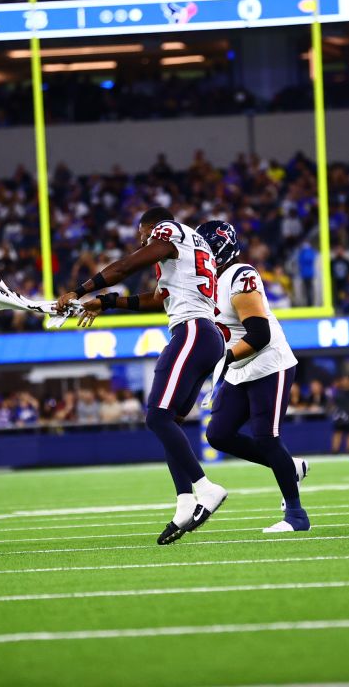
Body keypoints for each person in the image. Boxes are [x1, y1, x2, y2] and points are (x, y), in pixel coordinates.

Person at [63, 207, 228, 545]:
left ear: (153, 226)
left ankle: (205, 488)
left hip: (193, 332)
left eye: (143, 232)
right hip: (205, 336)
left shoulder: (169, 232)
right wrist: (105, 302)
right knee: (171, 424)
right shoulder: (191, 249)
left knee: (156, 417)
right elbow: (155, 299)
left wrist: (79, 291)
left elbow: (126, 265)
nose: (142, 239)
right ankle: (184, 502)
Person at [196, 221, 310, 533]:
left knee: (265, 436)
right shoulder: (208, 282)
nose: (197, 257)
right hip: (239, 368)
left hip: (269, 363)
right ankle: (290, 466)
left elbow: (259, 335)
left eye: (202, 249)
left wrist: (224, 358)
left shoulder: (240, 275)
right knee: (218, 433)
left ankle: (297, 517)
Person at [330, 373, 349, 454]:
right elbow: (333, 401)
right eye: (343, 380)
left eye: (346, 380)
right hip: (339, 416)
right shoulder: (338, 391)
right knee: (337, 432)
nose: (344, 382)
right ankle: (335, 451)